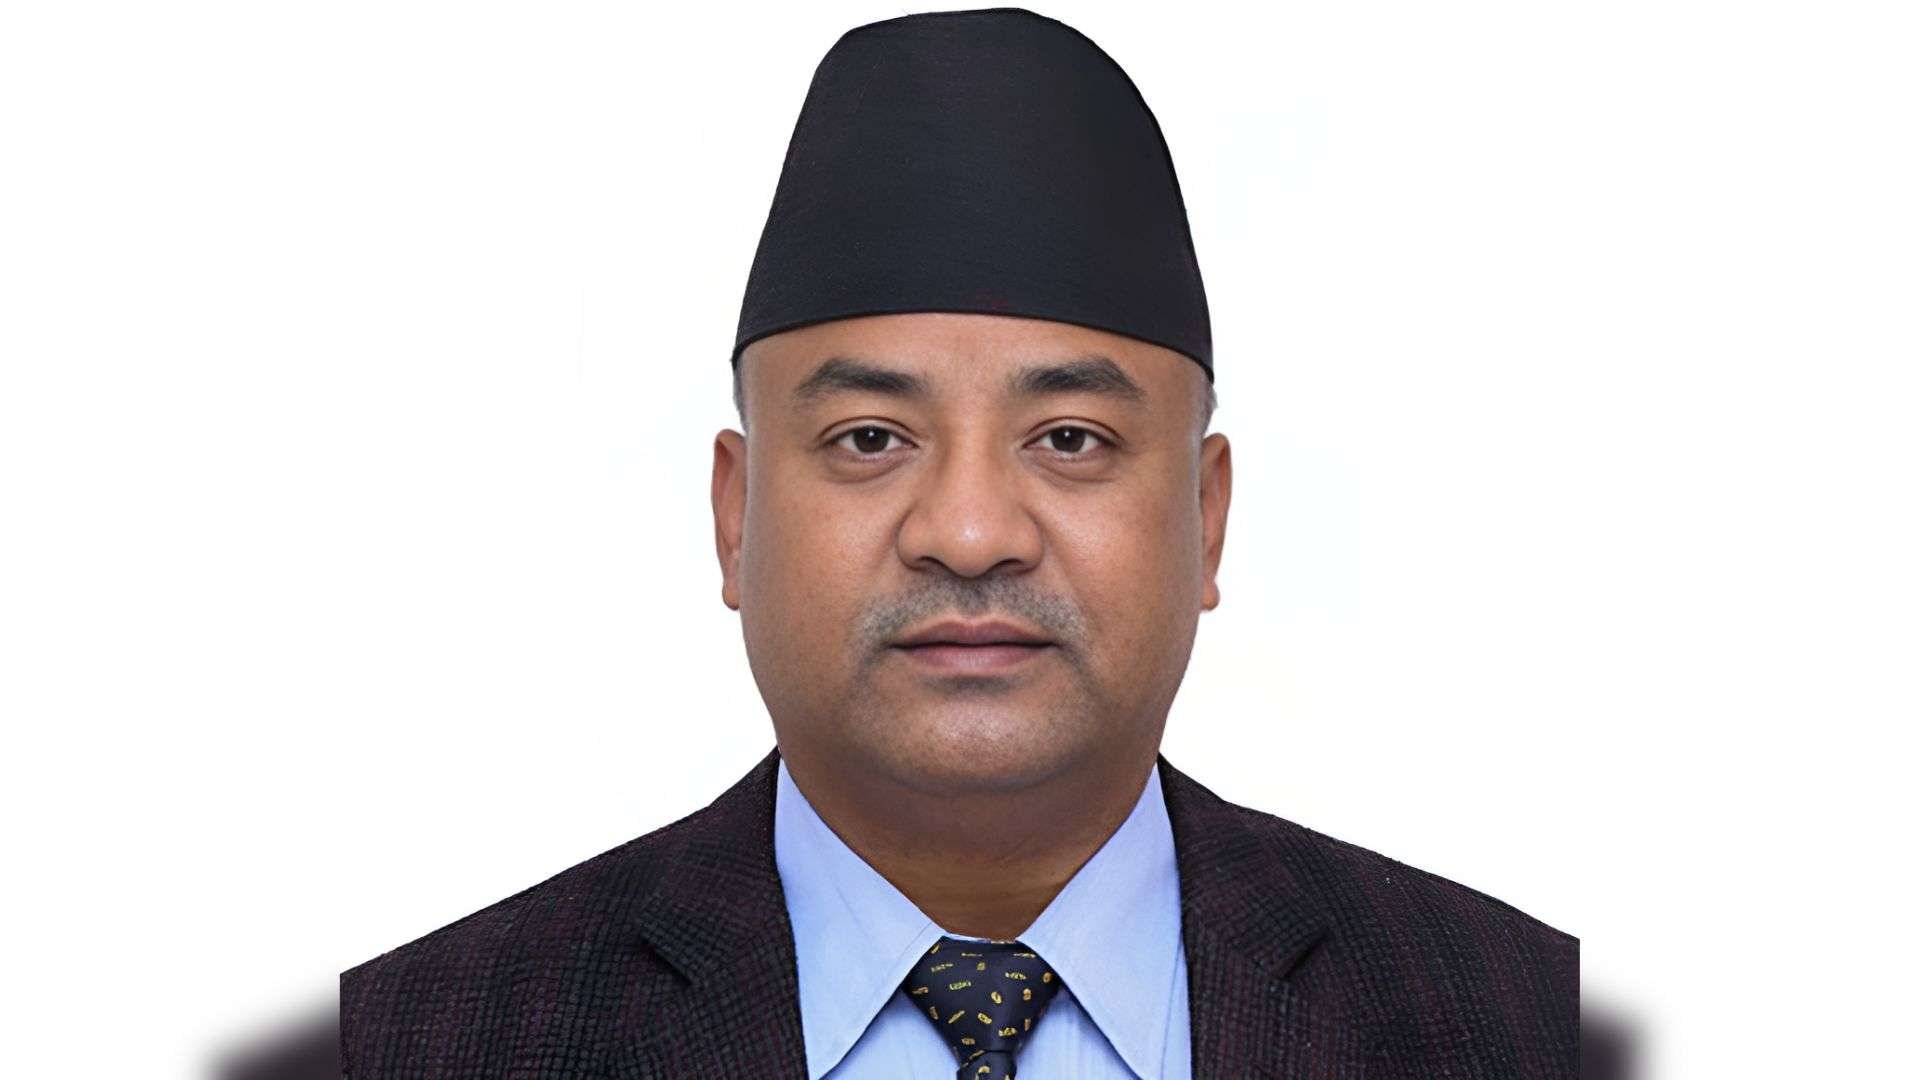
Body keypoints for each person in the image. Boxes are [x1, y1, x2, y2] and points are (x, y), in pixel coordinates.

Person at [340, 8, 1577, 1078]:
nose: (971, 534)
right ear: (736, 514)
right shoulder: (408, 1043)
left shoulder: (1532, 1025)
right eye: (871, 438)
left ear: (1206, 518)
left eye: (1072, 439)